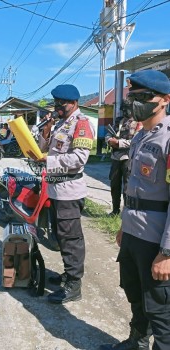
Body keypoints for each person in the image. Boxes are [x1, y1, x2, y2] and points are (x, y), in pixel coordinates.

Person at [99, 70, 170, 350]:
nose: (136, 102)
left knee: (161, 309)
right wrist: (123, 227)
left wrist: (166, 252)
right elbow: (135, 191)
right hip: (133, 233)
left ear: (165, 100)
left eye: (143, 97)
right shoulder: (140, 137)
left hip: (156, 239)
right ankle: (136, 341)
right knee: (134, 294)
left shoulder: (167, 139)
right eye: (133, 97)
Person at [33, 84, 95, 304]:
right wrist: (46, 132)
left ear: (74, 103)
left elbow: (79, 159)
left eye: (62, 103)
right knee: (59, 236)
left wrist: (47, 161)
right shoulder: (60, 123)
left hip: (69, 190)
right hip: (56, 189)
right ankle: (68, 274)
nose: (58, 106)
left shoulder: (81, 124)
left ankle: (74, 285)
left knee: (71, 239)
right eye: (56, 103)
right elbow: (45, 148)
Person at [105, 100, 143, 216]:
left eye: (127, 108)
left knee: (127, 186)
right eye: (124, 109)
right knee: (114, 184)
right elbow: (108, 134)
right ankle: (115, 210)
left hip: (128, 157)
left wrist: (119, 143)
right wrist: (109, 140)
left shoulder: (139, 123)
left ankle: (126, 212)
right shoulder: (119, 121)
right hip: (116, 157)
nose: (125, 111)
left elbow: (136, 141)